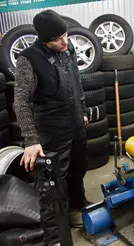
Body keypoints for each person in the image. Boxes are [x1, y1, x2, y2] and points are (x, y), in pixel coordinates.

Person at [14, 9, 90, 245]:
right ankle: (55, 236)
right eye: (57, 39)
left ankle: (78, 204)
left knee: (79, 168)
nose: (64, 41)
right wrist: (31, 140)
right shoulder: (29, 59)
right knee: (51, 186)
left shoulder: (68, 49)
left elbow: (76, 81)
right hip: (52, 131)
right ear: (43, 39)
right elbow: (21, 101)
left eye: (65, 35)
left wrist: (83, 110)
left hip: (75, 122)